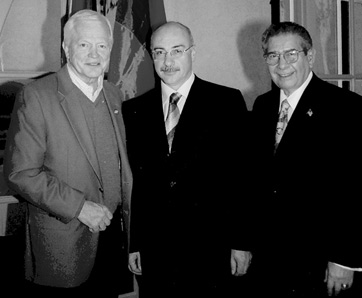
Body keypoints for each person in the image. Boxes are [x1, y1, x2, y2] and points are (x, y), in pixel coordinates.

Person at [3, 9, 132, 298]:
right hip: (64, 244)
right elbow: (20, 175)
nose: (94, 54)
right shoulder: (37, 95)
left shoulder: (114, 94)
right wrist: (80, 207)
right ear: (65, 47)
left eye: (102, 45)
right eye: (84, 44)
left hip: (111, 241)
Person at [122, 21, 253, 298]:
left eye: (177, 50)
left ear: (193, 52)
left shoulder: (226, 102)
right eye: (159, 52)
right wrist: (136, 243)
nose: (168, 61)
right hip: (156, 250)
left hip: (212, 248)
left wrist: (241, 242)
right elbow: (138, 184)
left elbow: (243, 178)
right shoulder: (134, 110)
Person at [249, 21, 362, 297]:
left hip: (321, 263)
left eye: (291, 54)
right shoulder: (262, 106)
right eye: (273, 55)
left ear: (310, 56)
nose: (281, 64)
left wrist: (344, 259)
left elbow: (357, 189)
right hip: (270, 260)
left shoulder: (346, 107)